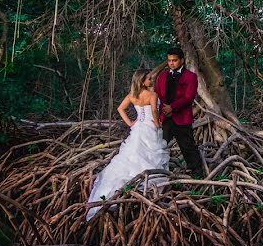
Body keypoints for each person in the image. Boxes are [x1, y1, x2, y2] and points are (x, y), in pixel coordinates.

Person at [87, 68, 170, 220]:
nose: (151, 81)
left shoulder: (133, 95)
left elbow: (121, 108)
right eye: (148, 79)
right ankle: (148, 182)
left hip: (138, 128)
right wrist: (157, 124)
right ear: (141, 80)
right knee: (149, 153)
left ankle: (129, 186)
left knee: (134, 154)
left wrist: (131, 124)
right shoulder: (152, 94)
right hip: (150, 128)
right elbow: (153, 111)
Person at [154, 46, 204, 178]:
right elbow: (157, 95)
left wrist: (172, 107)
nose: (171, 63)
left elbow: (189, 97)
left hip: (181, 118)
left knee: (188, 146)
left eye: (174, 60)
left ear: (182, 60)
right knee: (159, 145)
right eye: (169, 60)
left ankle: (197, 174)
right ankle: (157, 171)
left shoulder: (191, 76)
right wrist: (162, 109)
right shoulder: (162, 76)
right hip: (164, 118)